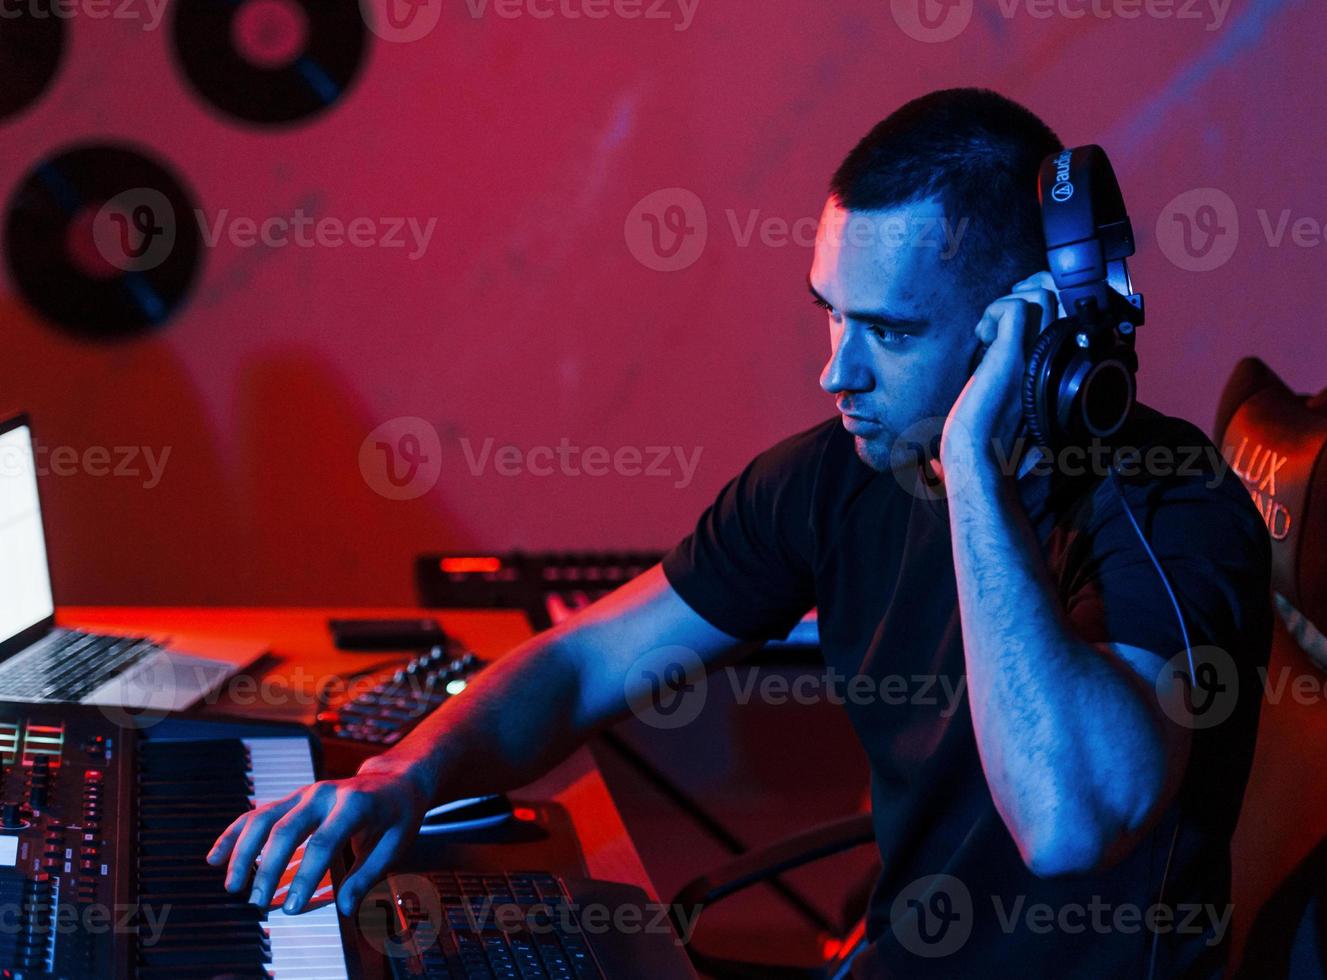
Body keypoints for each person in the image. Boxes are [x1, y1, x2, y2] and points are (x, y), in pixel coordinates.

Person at [210, 88, 1273, 977]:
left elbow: (1070, 818)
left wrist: (976, 479)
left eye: (891, 331)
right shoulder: (835, 475)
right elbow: (586, 665)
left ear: (1031, 327)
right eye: (829, 313)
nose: (837, 370)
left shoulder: (1171, 507)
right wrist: (406, 774)